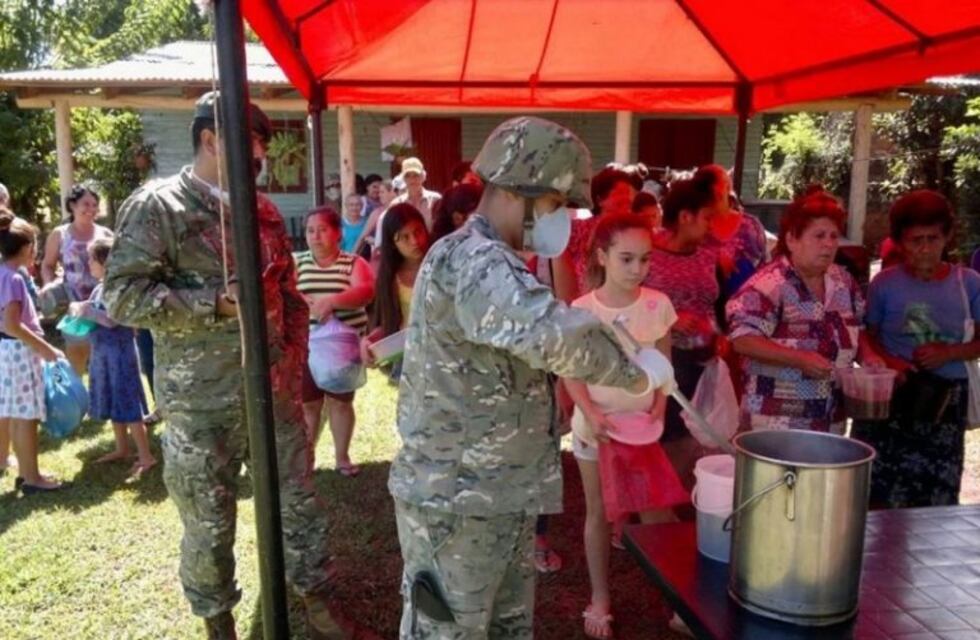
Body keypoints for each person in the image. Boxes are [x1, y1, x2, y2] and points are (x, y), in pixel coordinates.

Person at [389, 116, 673, 639]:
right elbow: (553, 335)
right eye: (556, 203)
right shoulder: (474, 259)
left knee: (504, 629)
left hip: (497, 492)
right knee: (451, 632)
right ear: (524, 190)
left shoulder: (499, 260)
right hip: (458, 501)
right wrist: (635, 372)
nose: (560, 218)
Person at [103, 92, 342, 640]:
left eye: (261, 142)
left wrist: (291, 358)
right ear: (211, 140)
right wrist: (212, 302)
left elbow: (290, 295)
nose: (260, 154)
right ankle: (219, 624)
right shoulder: (158, 206)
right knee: (210, 527)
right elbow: (119, 296)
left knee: (297, 505)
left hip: (272, 399)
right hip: (199, 408)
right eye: (252, 142)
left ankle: (319, 603)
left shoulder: (262, 211)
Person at [564, 213, 685, 640]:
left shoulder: (657, 305)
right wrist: (590, 412)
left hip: (642, 429)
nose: (637, 270)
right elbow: (570, 371)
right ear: (603, 256)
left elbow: (663, 369)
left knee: (654, 511)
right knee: (598, 511)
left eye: (645, 260)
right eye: (627, 259)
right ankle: (600, 596)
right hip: (594, 428)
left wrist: (659, 410)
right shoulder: (582, 311)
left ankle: (676, 599)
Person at [852, 190, 980, 508]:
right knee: (874, 494)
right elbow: (865, 337)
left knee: (935, 496)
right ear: (898, 241)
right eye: (914, 240)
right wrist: (890, 362)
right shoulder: (884, 284)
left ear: (947, 236)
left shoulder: (969, 284)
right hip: (891, 399)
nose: (924, 249)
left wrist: (949, 353)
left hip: (945, 403)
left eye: (933, 239)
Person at [727, 191, 878, 433]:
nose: (829, 244)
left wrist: (869, 357)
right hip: (774, 424)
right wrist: (799, 359)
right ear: (791, 240)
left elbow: (858, 328)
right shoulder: (769, 285)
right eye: (819, 236)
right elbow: (743, 340)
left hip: (830, 421)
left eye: (833, 236)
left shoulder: (843, 281)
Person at [643, 178, 721, 489]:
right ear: (685, 216)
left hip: (703, 357)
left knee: (692, 431)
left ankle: (669, 498)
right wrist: (671, 320)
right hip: (663, 356)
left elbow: (712, 302)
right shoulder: (647, 252)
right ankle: (651, 506)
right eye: (707, 218)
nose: (712, 226)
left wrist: (717, 334)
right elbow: (628, 299)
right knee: (666, 432)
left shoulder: (707, 255)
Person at [295, 206, 374, 476]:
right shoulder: (298, 262)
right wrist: (301, 301)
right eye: (310, 230)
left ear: (338, 233)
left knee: (341, 403)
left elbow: (365, 291)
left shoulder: (353, 262)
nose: (315, 236)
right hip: (304, 347)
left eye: (322, 229)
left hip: (344, 348)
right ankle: (308, 458)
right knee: (308, 404)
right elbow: (285, 291)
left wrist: (332, 302)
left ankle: (342, 457)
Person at [69, 237, 155, 477]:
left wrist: (90, 312)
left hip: (120, 355)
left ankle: (146, 456)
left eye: (92, 259)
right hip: (104, 356)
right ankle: (122, 448)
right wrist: (81, 307)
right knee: (115, 402)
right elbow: (95, 306)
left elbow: (113, 319)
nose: (89, 263)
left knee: (129, 405)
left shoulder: (118, 288)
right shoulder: (100, 286)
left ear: (106, 262)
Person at [0, 211, 66, 493]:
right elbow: (12, 324)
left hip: (8, 352)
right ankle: (33, 478)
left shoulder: (4, 273)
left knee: (17, 415)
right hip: (19, 352)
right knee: (27, 418)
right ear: (27, 247)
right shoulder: (14, 279)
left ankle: (27, 472)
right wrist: (48, 349)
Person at [41, 184, 113, 376]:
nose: (91, 209)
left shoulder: (105, 234)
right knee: (76, 363)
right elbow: (47, 265)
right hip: (74, 308)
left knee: (104, 361)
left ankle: (102, 402)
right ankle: (78, 403)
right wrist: (49, 284)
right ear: (72, 205)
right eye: (86, 204)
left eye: (95, 205)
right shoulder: (60, 234)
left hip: (102, 307)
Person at [361, 203, 428, 381]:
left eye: (418, 231)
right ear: (392, 242)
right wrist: (369, 341)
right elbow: (390, 323)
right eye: (404, 237)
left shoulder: (441, 266)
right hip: (408, 359)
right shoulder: (390, 278)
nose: (415, 241)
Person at [695, 165, 769, 301]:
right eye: (708, 189)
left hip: (746, 306)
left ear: (728, 187)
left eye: (720, 186)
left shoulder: (750, 226)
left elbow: (765, 270)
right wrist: (714, 258)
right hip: (702, 305)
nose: (715, 193)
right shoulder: (694, 226)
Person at [566, 167, 637, 293]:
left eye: (627, 193)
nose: (626, 199)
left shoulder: (631, 233)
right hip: (582, 299)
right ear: (600, 200)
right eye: (620, 193)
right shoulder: (578, 229)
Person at [375, 157, 442, 246]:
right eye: (408, 176)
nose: (412, 179)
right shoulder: (396, 204)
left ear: (423, 177)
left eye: (416, 175)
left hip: (431, 250)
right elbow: (390, 233)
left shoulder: (436, 199)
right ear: (403, 179)